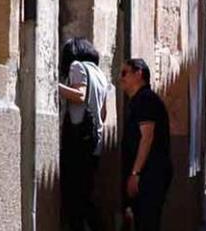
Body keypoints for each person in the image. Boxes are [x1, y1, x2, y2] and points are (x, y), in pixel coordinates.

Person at [58, 37, 109, 231]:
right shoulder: (100, 74)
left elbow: (79, 95)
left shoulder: (77, 67)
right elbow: (103, 114)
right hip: (94, 142)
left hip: (77, 140)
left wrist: (52, 85)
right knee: (86, 196)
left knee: (74, 200)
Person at [118, 58, 173, 231]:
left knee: (147, 222)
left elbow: (147, 136)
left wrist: (136, 173)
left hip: (150, 174)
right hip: (147, 174)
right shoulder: (139, 101)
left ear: (138, 74)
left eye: (125, 73)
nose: (121, 78)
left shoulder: (145, 100)